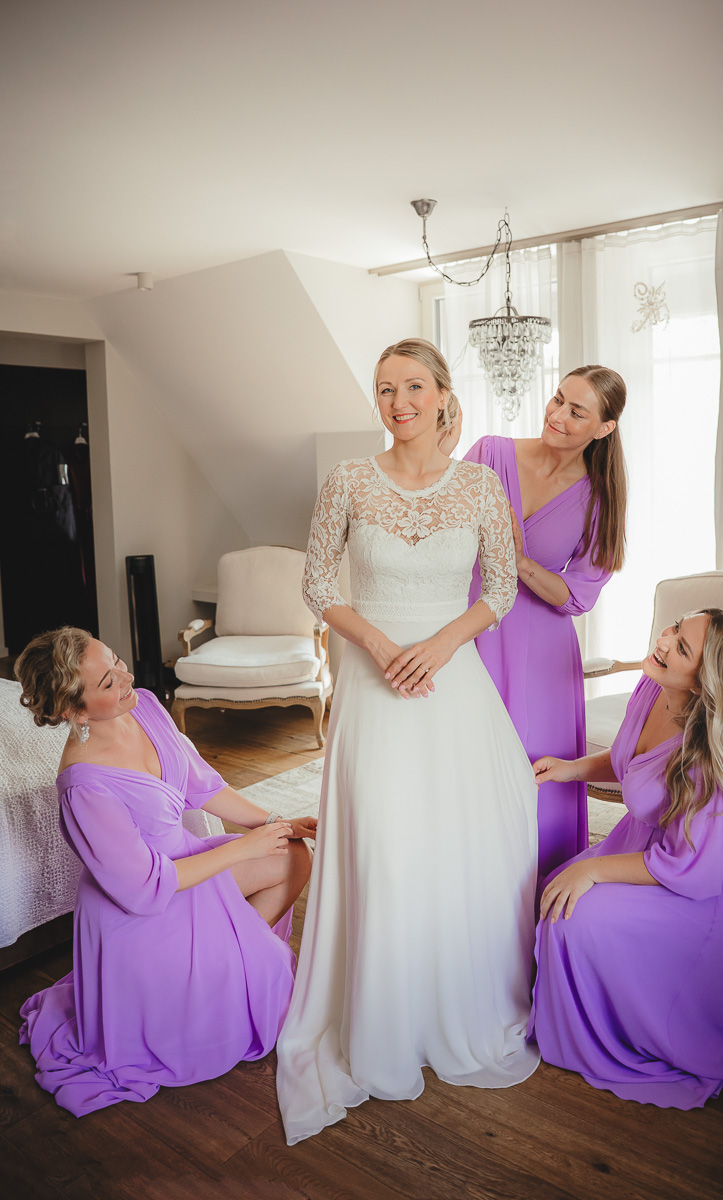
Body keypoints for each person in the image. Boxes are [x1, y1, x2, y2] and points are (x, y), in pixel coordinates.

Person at [276, 338, 539, 1144]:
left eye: (414, 386)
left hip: (451, 682)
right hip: (373, 680)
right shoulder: (349, 480)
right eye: (386, 388)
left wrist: (442, 644)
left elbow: (501, 586)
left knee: (460, 841)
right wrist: (382, 646)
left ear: (442, 394)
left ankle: (450, 1002)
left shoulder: (481, 484)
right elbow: (317, 583)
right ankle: (381, 1018)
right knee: (385, 844)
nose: (399, 403)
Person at [15, 628, 317, 1117]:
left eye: (117, 662)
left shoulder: (146, 706)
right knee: (274, 976)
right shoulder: (84, 786)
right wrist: (244, 849)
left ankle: (232, 962)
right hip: (140, 912)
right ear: (74, 711)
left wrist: (275, 822)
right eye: (108, 682)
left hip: (186, 867)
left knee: (294, 853)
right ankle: (230, 967)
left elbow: (203, 785)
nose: (126, 678)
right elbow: (142, 888)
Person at [529, 609, 723, 1108]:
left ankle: (624, 1027)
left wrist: (593, 869)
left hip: (709, 888)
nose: (664, 640)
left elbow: (686, 866)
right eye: (675, 627)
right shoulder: (655, 684)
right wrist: (570, 770)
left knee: (570, 917)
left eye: (682, 647)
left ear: (703, 682)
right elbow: (629, 760)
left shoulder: (707, 762)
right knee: (553, 889)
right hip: (658, 848)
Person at [461, 366, 627, 885]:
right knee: (466, 763)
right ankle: (464, 892)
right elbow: (441, 530)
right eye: (558, 400)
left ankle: (537, 897)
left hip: (542, 654)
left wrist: (518, 562)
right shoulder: (489, 454)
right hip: (470, 632)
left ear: (604, 428)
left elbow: (578, 595)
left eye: (577, 412)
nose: (557, 415)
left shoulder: (600, 498)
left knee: (535, 776)